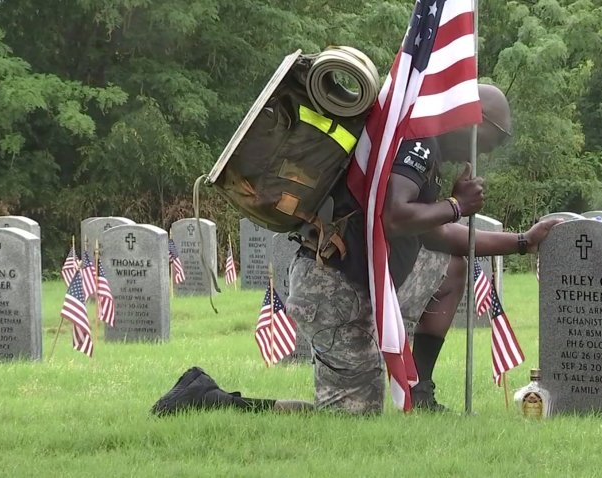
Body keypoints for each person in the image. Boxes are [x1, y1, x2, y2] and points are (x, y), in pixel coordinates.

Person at [151, 84, 562, 417]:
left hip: (364, 285)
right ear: (472, 118)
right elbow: (393, 218)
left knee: (449, 265)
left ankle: (421, 393)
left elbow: (436, 237)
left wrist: (524, 241)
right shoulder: (417, 144)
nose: (490, 150)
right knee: (350, 418)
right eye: (496, 137)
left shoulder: (423, 147)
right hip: (333, 291)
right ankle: (209, 399)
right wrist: (456, 206)